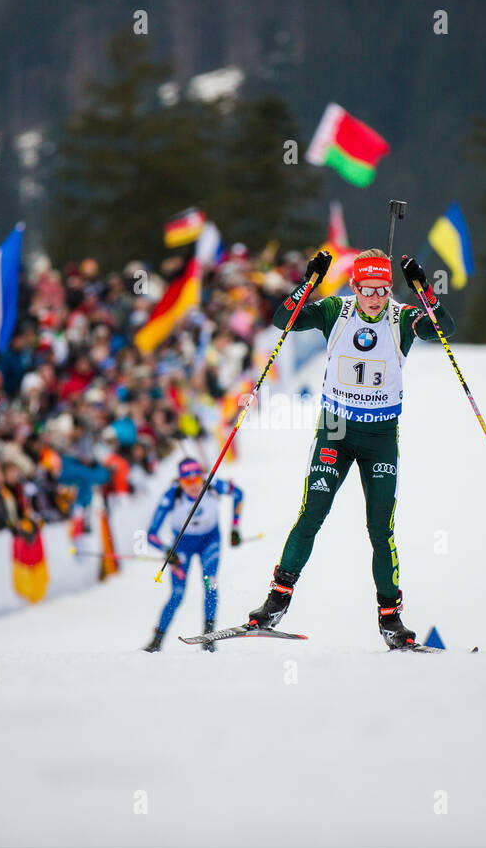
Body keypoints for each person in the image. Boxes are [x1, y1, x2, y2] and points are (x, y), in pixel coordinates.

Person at [244, 250, 456, 650]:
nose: (374, 298)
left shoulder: (403, 318)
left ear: (388, 289)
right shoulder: (335, 311)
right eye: (366, 289)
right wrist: (309, 281)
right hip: (336, 430)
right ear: (354, 287)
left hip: (380, 437)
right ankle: (276, 601)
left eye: (381, 289)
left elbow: (445, 328)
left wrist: (425, 289)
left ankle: (390, 619)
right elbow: (281, 321)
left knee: (380, 529)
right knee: (312, 514)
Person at [142, 457, 244, 652]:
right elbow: (151, 534)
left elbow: (239, 493)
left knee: (210, 584)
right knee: (178, 594)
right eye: (187, 481)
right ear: (180, 481)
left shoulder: (213, 485)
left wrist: (235, 527)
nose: (193, 485)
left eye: (197, 479)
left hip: (209, 542)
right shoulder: (172, 495)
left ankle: (209, 639)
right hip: (182, 547)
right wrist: (167, 551)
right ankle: (156, 642)